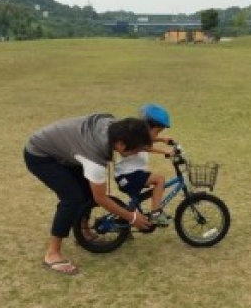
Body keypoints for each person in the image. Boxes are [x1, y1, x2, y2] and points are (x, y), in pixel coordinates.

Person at [23, 114, 152, 275]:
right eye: (136, 150)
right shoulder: (95, 158)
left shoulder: (114, 126)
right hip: (40, 154)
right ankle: (52, 254)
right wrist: (132, 217)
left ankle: (83, 231)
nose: (137, 153)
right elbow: (100, 198)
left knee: (87, 191)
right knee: (73, 198)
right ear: (120, 144)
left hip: (68, 149)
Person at [114, 104, 173, 226]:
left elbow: (148, 140)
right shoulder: (137, 138)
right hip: (128, 176)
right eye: (157, 131)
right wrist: (166, 152)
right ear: (148, 127)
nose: (157, 135)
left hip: (130, 175)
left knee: (137, 201)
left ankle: (123, 222)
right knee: (160, 180)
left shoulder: (137, 134)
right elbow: (145, 147)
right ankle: (156, 214)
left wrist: (162, 140)